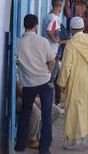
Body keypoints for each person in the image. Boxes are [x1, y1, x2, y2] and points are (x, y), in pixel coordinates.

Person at [58, 17, 88, 150]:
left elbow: (66, 66)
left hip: (77, 82)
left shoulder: (71, 44)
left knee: (76, 110)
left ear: (71, 29)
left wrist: (61, 82)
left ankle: (75, 141)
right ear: (83, 27)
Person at [15, 14, 56, 154]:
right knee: (46, 115)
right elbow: (52, 60)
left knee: (25, 114)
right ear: (36, 26)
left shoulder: (18, 43)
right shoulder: (42, 41)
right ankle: (44, 149)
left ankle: (20, 145)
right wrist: (49, 73)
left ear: (24, 26)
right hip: (44, 81)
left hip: (28, 83)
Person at [16, 75, 61, 149]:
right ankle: (31, 139)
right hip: (19, 97)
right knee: (36, 113)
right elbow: (17, 88)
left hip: (34, 92)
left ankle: (39, 134)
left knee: (55, 111)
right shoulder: (17, 68)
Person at [42, 0, 66, 104]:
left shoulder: (46, 16)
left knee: (47, 77)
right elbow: (49, 31)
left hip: (46, 49)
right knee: (51, 79)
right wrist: (56, 40)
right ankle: (50, 105)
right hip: (53, 51)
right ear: (60, 6)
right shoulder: (54, 18)